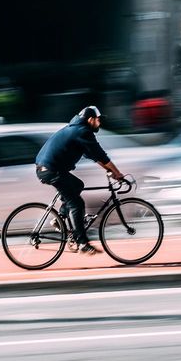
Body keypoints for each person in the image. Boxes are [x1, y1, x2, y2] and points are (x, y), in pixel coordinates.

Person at [35, 106, 124, 255]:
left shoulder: (76, 130)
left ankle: (60, 218)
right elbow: (101, 155)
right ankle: (82, 243)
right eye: (98, 120)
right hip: (51, 170)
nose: (100, 123)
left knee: (78, 185)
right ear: (90, 120)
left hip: (49, 168)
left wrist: (111, 170)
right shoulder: (83, 132)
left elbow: (95, 156)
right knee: (77, 203)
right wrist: (117, 173)